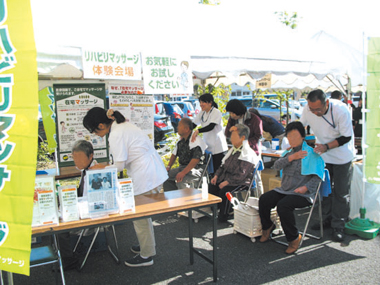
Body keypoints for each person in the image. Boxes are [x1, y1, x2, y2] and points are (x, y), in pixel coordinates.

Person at [83, 107, 168, 267]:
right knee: (143, 215)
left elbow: (120, 166)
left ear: (101, 125)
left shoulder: (115, 134)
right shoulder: (121, 126)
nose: (94, 134)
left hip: (146, 175)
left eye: (93, 130)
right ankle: (147, 246)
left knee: (140, 216)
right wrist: (105, 165)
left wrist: (101, 168)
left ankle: (146, 255)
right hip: (150, 171)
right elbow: (122, 160)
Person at [258, 121, 324, 254]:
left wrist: (305, 188)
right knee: (264, 199)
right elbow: (276, 166)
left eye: (295, 136)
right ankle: (268, 227)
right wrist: (292, 157)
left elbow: (318, 177)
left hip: (303, 194)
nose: (292, 139)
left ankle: (294, 237)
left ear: (303, 136)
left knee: (283, 206)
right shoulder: (288, 153)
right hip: (285, 190)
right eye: (289, 136)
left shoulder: (311, 153)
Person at [300, 89, 355, 242]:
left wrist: (326, 146)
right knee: (324, 190)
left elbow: (346, 137)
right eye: (312, 109)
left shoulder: (341, 110)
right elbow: (300, 125)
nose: (315, 112)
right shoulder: (308, 109)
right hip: (323, 156)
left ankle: (339, 225)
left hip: (342, 156)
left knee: (341, 192)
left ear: (327, 103)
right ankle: (326, 219)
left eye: (318, 109)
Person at [58, 140, 98, 270]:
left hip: (91, 210)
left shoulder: (95, 172)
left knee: (60, 226)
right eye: (75, 158)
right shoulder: (86, 168)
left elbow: (90, 200)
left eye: (80, 159)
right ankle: (63, 256)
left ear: (91, 156)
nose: (77, 162)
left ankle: (68, 260)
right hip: (84, 206)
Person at [209, 124, 260, 222]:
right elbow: (222, 166)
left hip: (240, 182)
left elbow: (241, 174)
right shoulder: (233, 150)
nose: (231, 138)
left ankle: (225, 215)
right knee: (212, 185)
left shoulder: (247, 153)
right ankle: (216, 210)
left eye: (234, 135)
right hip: (226, 178)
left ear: (242, 138)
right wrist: (216, 176)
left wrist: (227, 182)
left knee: (225, 191)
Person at [164, 118, 207, 191]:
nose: (177, 127)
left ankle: (186, 200)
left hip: (196, 169)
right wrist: (168, 167)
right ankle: (172, 198)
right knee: (165, 177)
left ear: (187, 129)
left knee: (181, 180)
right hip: (182, 167)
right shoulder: (182, 140)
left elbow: (195, 160)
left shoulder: (195, 140)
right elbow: (174, 154)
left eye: (179, 125)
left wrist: (183, 173)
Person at [191, 93, 228, 172]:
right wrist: (186, 130)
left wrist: (198, 131)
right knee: (209, 172)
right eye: (200, 102)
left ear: (210, 103)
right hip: (208, 147)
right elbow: (193, 124)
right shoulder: (202, 112)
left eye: (203, 102)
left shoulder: (216, 112)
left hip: (218, 148)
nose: (201, 104)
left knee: (218, 172)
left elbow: (211, 126)